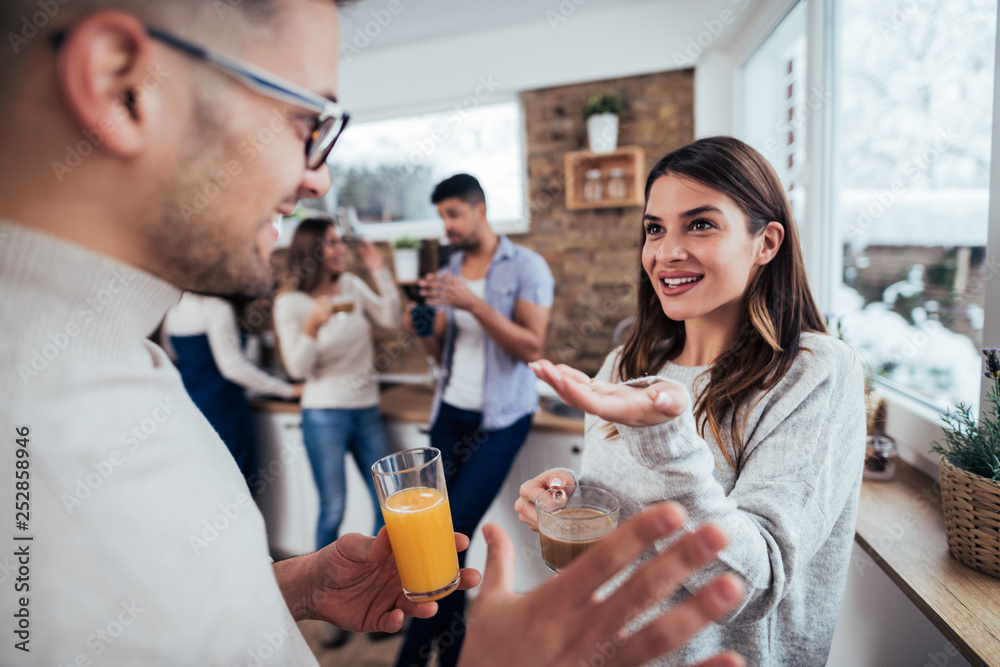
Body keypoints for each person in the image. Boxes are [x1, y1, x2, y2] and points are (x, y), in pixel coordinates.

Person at [0, 2, 745, 665]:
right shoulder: (41, 449)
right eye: (306, 121)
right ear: (121, 85)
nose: (320, 178)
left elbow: (175, 616)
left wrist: (290, 587)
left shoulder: (121, 359)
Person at [517, 137, 867, 666]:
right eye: (655, 228)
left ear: (766, 243)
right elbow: (620, 530)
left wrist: (661, 438)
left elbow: (748, 586)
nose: (665, 251)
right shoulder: (624, 367)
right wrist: (567, 503)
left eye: (700, 224)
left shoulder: (813, 371)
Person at [397, 173, 555, 667]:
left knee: (450, 529)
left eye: (453, 214)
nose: (446, 225)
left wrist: (473, 302)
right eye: (441, 215)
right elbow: (438, 348)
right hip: (450, 413)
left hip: (501, 418)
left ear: (479, 209)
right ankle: (454, 651)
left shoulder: (527, 266)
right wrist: (421, 326)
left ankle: (410, 657)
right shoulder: (449, 270)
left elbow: (531, 346)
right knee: (447, 540)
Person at [274, 217, 398, 548]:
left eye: (341, 241)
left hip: (367, 410)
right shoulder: (290, 304)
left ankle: (371, 576)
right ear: (311, 251)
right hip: (324, 414)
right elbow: (298, 369)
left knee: (388, 504)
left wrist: (379, 270)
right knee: (333, 508)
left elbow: (390, 319)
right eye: (332, 242)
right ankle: (319, 587)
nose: (341, 248)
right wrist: (312, 325)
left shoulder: (351, 285)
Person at [162, 225, 303, 487]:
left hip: (192, 407)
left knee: (212, 486)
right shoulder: (216, 307)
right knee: (239, 486)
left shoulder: (174, 307)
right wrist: (287, 391)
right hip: (223, 409)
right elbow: (233, 366)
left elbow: (172, 354)